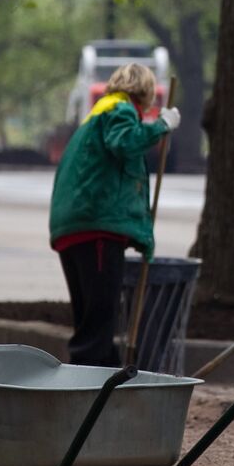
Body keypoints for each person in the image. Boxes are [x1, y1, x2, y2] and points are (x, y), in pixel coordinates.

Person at [49, 62, 180, 367]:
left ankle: (110, 387)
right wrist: (161, 125)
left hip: (75, 227)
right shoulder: (119, 111)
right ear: (145, 92)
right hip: (97, 229)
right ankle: (90, 397)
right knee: (97, 326)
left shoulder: (95, 116)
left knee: (92, 321)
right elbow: (125, 143)